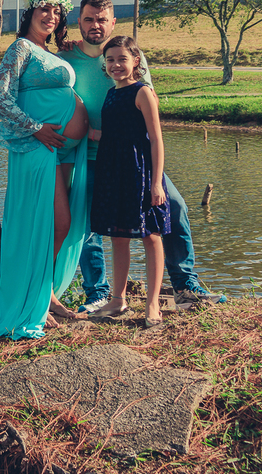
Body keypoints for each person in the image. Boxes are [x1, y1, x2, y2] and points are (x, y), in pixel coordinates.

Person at [54, 0, 224, 313]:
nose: (95, 25)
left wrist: (155, 176)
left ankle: (185, 286)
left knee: (173, 206)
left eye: (102, 19)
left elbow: (148, 107)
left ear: (113, 22)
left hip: (135, 158)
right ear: (80, 21)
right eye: (89, 19)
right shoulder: (67, 55)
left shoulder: (131, 55)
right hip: (88, 155)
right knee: (88, 224)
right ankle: (98, 293)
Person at [0, 0, 91, 339]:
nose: (50, 17)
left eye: (57, 13)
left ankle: (44, 294)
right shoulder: (21, 48)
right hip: (37, 149)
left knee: (61, 223)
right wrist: (35, 130)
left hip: (60, 152)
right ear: (30, 13)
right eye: (44, 10)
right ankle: (36, 300)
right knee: (49, 223)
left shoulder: (51, 51)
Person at [87, 36, 168, 326]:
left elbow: (156, 140)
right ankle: (118, 300)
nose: (115, 65)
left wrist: (156, 183)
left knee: (151, 235)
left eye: (122, 59)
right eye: (110, 60)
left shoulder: (143, 92)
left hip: (141, 171)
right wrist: (92, 133)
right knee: (118, 235)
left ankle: (153, 303)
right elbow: (117, 133)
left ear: (136, 61)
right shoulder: (111, 93)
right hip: (113, 171)